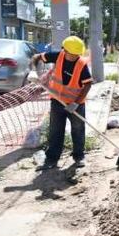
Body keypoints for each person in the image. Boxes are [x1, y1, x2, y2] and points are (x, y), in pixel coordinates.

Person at [32, 36, 93, 170]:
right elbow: (37, 57)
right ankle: (52, 159)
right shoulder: (57, 56)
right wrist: (34, 71)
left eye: (77, 54)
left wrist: (76, 103)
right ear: (64, 50)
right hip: (57, 100)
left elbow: (88, 84)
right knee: (55, 130)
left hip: (75, 104)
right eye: (72, 54)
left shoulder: (81, 64)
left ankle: (79, 156)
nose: (75, 57)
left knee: (78, 130)